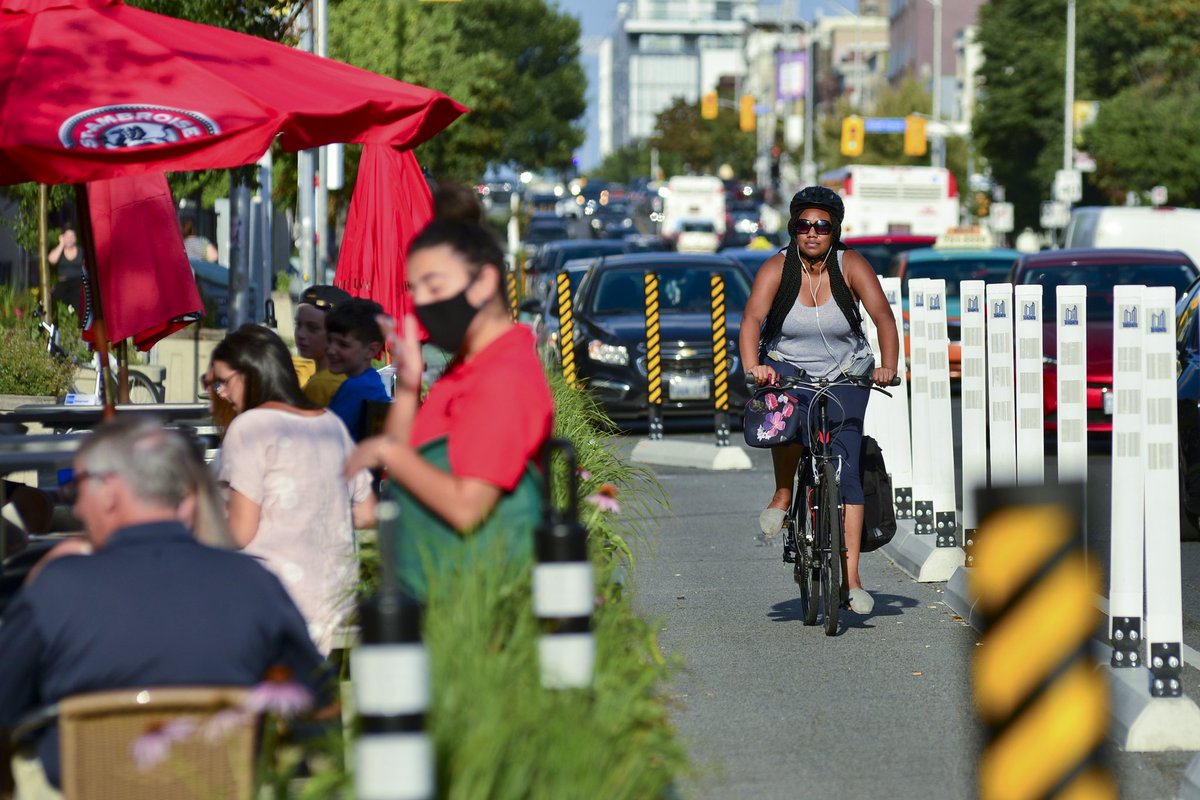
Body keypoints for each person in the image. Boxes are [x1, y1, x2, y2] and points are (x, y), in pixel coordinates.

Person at [0, 418, 331, 796]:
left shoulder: (57, 589)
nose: (74, 508)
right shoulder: (253, 584)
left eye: (75, 488)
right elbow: (317, 707)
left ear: (109, 490)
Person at [345, 218, 553, 599]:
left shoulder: (503, 377)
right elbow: (410, 459)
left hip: (473, 604)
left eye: (435, 286)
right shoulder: (470, 365)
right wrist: (409, 385)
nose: (423, 301)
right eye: (415, 289)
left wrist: (385, 451)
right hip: (437, 583)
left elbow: (467, 507)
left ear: (485, 282)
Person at [739, 186, 899, 615]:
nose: (813, 233)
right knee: (787, 427)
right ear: (794, 228)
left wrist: (887, 364)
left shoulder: (852, 266)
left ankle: (851, 580)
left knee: (846, 467)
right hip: (788, 368)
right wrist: (755, 365)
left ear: (834, 232)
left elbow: (882, 316)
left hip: (847, 372)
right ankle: (782, 492)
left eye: (822, 226)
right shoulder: (778, 268)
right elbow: (753, 319)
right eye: (805, 225)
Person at [211, 325, 375, 653]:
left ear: (251, 374)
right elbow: (367, 513)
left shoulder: (250, 427)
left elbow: (240, 533)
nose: (220, 393)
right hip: (336, 603)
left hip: (275, 603)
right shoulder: (331, 424)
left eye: (225, 381)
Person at [325, 299, 390, 442]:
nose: (330, 350)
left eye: (343, 344)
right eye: (329, 340)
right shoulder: (371, 382)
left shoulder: (355, 387)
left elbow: (328, 436)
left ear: (370, 350)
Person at [294, 284, 352, 407]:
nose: (300, 334)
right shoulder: (352, 375)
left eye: (312, 328)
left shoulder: (322, 384)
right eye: (298, 324)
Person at [48, 227, 84, 315]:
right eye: (67, 236)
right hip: (63, 282)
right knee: (54, 298)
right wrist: (61, 244)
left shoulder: (81, 251)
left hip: (77, 282)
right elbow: (51, 260)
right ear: (63, 237)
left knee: (79, 298)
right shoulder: (59, 250)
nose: (70, 239)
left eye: (72, 236)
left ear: (75, 238)